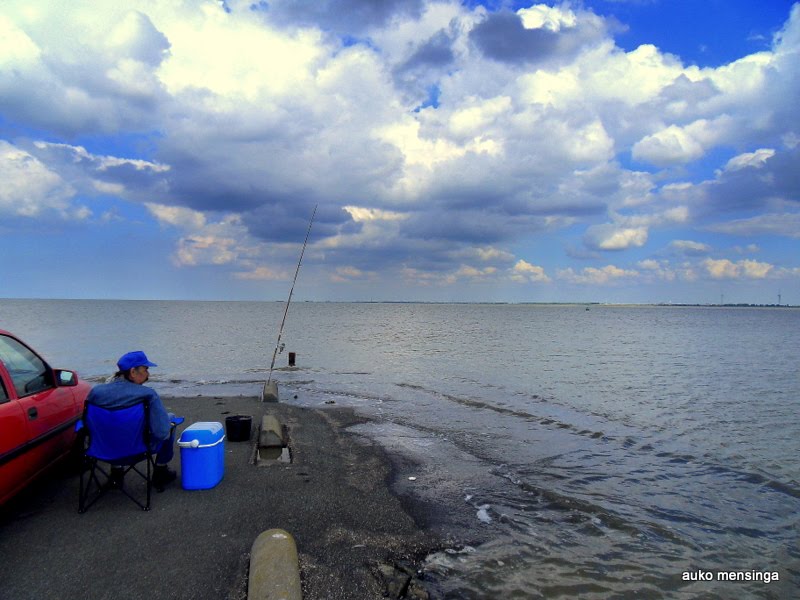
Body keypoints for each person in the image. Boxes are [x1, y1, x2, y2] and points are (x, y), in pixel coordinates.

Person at [86, 350, 178, 488]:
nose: (148, 374)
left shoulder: (96, 392)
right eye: (145, 369)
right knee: (170, 420)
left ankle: (116, 474)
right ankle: (161, 470)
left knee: (112, 424)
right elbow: (161, 433)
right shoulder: (147, 395)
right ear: (133, 372)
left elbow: (87, 425)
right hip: (138, 449)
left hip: (101, 450)